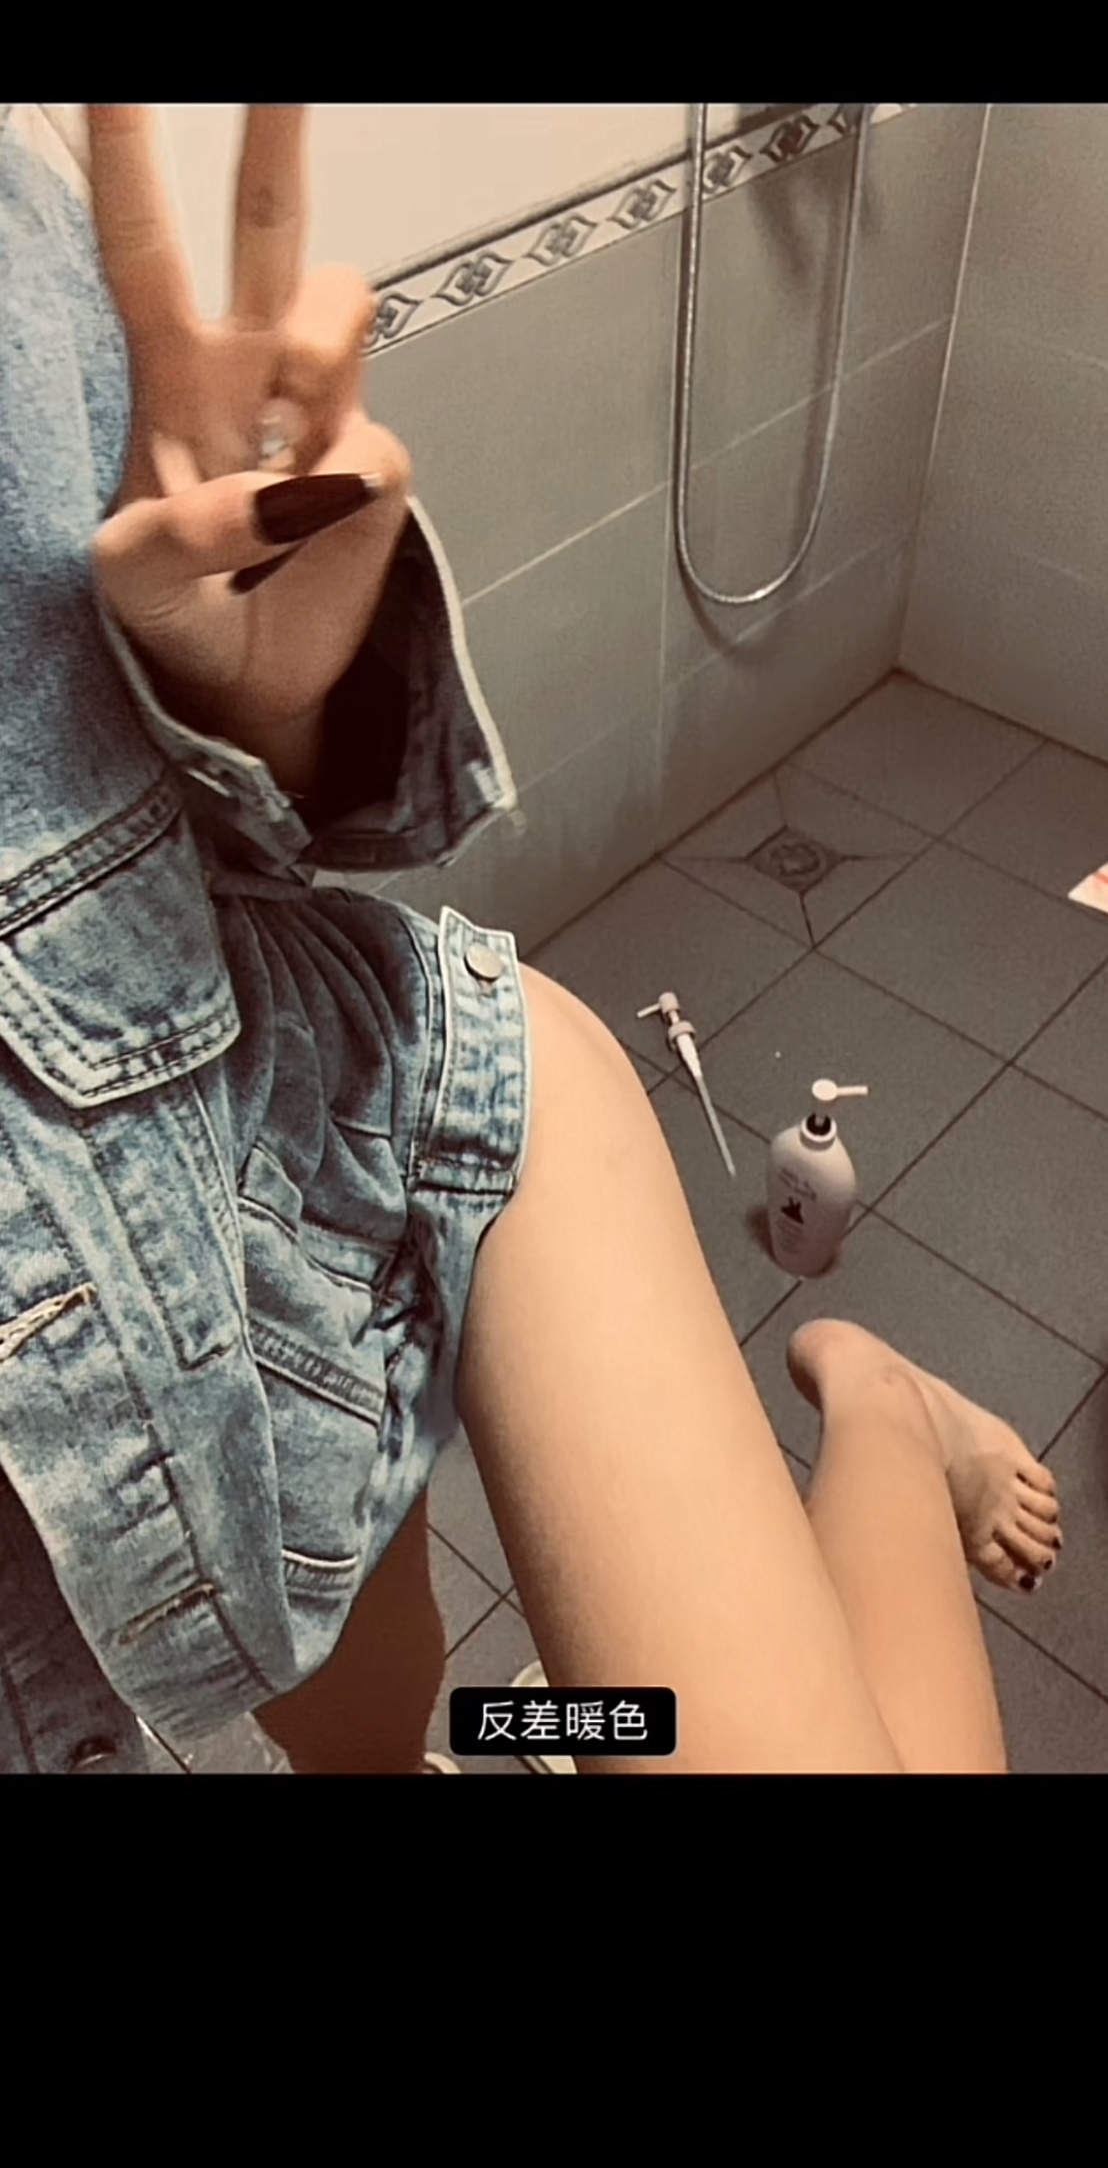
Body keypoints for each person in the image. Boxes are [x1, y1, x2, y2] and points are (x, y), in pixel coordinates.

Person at [0, 103, 1064, 1779]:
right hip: (146, 1374)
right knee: (417, 1717)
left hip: (312, 1145)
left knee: (430, 1710)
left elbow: (139, 859)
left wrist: (244, 714)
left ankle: (873, 1407)